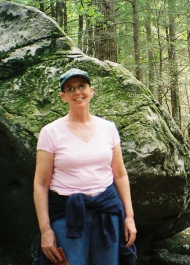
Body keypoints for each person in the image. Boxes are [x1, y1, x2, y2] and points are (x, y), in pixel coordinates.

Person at [33, 68, 137, 265]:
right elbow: (40, 183)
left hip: (106, 210)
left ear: (91, 91)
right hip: (66, 213)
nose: (77, 92)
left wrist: (129, 217)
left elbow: (120, 175)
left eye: (82, 86)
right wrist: (45, 230)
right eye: (70, 88)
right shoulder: (50, 132)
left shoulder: (108, 128)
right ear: (63, 97)